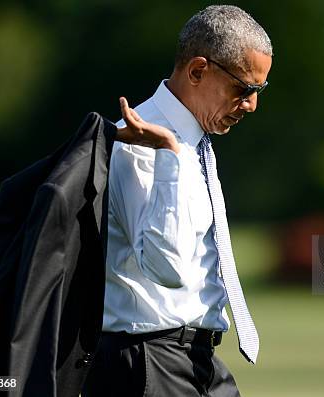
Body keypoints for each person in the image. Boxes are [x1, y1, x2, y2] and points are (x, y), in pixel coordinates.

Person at [82, 5, 273, 397]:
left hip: (196, 359)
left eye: (259, 91)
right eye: (244, 89)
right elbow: (165, 267)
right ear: (198, 71)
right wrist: (168, 154)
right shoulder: (137, 140)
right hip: (148, 362)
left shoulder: (194, 140)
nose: (252, 105)